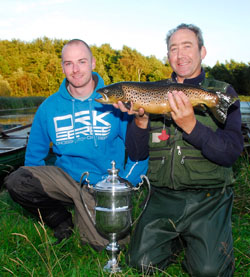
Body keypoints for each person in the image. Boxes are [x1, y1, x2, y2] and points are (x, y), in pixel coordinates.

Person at [121, 24, 244, 276]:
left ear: (202, 51)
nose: (180, 55)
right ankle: (178, 239)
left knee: (209, 272)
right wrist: (141, 121)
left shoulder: (221, 93)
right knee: (140, 264)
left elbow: (231, 152)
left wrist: (191, 126)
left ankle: (198, 242)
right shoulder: (149, 93)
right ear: (168, 56)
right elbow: (135, 155)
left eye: (187, 46)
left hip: (208, 198)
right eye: (173, 49)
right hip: (162, 197)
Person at [4, 39, 148, 250]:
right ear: (62, 67)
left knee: (104, 246)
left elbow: (138, 152)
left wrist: (122, 186)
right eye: (69, 63)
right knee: (19, 181)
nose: (75, 69)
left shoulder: (117, 101)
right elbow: (34, 159)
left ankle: (88, 212)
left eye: (81, 61)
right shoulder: (48, 108)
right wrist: (43, 191)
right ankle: (61, 222)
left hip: (104, 183)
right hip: (68, 180)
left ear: (93, 63)